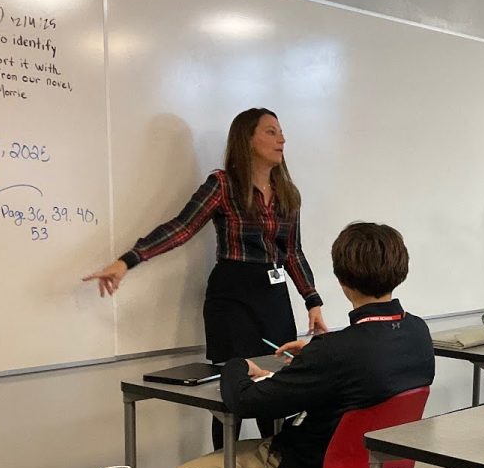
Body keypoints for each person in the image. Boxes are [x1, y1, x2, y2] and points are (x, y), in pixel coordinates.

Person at [163, 223, 434, 468]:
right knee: (325, 445)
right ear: (401, 269)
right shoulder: (418, 332)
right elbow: (360, 367)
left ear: (342, 280)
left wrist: (237, 364)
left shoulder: (335, 352)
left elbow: (246, 401)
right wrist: (313, 358)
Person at [83, 107, 329, 448]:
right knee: (234, 394)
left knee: (276, 390)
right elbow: (182, 228)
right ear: (248, 138)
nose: (281, 139)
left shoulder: (288, 193)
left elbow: (292, 253)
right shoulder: (223, 185)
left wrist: (312, 302)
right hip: (231, 298)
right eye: (271, 131)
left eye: (281, 132)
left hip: (273, 299)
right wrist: (128, 260)